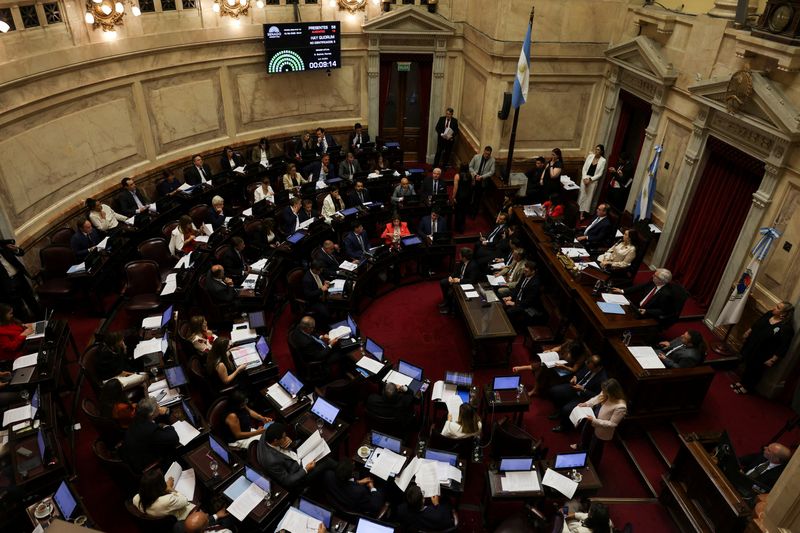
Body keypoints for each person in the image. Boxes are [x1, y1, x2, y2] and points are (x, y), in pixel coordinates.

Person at [733, 301, 795, 395]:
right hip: (752, 345)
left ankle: (747, 387)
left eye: (778, 308)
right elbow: (757, 323)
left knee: (755, 371)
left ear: (784, 313)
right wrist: (748, 331)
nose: (774, 308)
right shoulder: (769, 314)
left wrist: (773, 359)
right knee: (748, 365)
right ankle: (742, 382)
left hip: (764, 354)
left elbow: (783, 346)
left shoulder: (786, 328)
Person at [256, 422, 333, 489]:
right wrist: (306, 470)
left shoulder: (266, 434)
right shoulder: (271, 461)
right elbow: (287, 481)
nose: (286, 438)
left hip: (296, 455)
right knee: (327, 461)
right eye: (284, 438)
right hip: (299, 474)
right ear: (275, 441)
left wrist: (286, 441)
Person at [571, 378, 627, 465]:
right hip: (592, 418)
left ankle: (591, 465)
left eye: (605, 392)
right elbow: (596, 398)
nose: (603, 393)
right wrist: (586, 404)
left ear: (613, 393)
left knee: (595, 448)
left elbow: (612, 424)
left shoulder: (621, 407)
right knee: (585, 436)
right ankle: (581, 449)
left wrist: (595, 421)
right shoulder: (605, 392)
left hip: (601, 428)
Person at [550, 355, 607, 432]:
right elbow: (579, 373)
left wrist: (583, 390)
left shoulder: (603, 379)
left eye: (591, 368)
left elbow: (597, 397)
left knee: (566, 409)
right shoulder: (589, 364)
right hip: (575, 388)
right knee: (555, 391)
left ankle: (564, 427)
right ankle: (559, 412)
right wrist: (575, 377)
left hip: (584, 397)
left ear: (598, 368)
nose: (588, 368)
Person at [122, 396, 180, 471]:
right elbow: (174, 437)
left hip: (134, 456)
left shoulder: (137, 418)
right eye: (157, 406)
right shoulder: (150, 431)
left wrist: (165, 413)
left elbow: (154, 421)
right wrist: (166, 426)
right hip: (150, 466)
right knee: (174, 449)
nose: (159, 407)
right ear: (151, 414)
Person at [514, 339, 586, 396]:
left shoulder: (581, 356)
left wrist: (564, 367)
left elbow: (574, 369)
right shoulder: (570, 343)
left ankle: (534, 389)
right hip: (558, 361)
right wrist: (550, 351)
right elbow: (559, 348)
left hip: (565, 369)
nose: (569, 351)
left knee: (544, 368)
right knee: (543, 365)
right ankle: (534, 388)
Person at [613, 268, 679, 321]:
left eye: (655, 276)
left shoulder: (666, 295)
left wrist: (647, 311)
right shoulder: (653, 282)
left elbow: (664, 311)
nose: (652, 276)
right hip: (636, 307)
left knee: (618, 319)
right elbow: (639, 286)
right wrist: (622, 291)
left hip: (646, 314)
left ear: (661, 280)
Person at [0, 241, 39, 322]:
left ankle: (42, 321)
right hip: (7, 285)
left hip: (19, 278)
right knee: (18, 309)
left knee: (32, 301)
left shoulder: (3, 246)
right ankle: (27, 326)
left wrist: (15, 249)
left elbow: (21, 252)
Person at [500, 260, 543, 329]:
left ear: (533, 271)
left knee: (510, 311)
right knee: (502, 303)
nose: (524, 272)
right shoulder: (525, 275)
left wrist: (514, 303)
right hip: (517, 299)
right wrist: (510, 297)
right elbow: (517, 287)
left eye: (526, 271)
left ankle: (510, 329)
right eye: (524, 270)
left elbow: (528, 301)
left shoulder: (535, 284)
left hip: (525, 305)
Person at [439, 248, 480, 314]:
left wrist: (459, 280)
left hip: (465, 283)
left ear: (464, 257)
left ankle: (450, 310)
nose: (459, 256)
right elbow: (456, 271)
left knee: (451, 293)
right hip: (457, 279)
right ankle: (446, 301)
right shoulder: (462, 261)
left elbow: (471, 280)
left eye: (460, 255)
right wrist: (451, 276)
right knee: (443, 282)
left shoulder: (473, 266)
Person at [578, 144, 607, 219]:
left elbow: (600, 174)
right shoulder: (590, 156)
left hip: (593, 181)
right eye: (596, 149)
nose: (596, 151)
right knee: (582, 196)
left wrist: (590, 180)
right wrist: (584, 178)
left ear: (601, 152)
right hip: (585, 179)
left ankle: (582, 214)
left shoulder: (603, 160)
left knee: (588, 198)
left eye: (598, 150)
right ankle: (578, 211)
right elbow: (584, 168)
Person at [468, 146, 496, 217]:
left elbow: (492, 172)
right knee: (470, 195)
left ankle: (473, 214)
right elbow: (470, 166)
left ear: (490, 154)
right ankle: (468, 211)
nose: (487, 155)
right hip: (474, 179)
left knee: (477, 198)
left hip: (482, 181)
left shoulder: (492, 160)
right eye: (486, 153)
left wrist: (482, 177)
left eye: (488, 154)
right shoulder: (476, 157)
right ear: (484, 151)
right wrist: (475, 175)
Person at [451, 163, 472, 233]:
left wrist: (453, 197)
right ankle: (462, 227)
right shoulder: (470, 175)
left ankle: (457, 228)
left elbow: (455, 188)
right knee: (464, 212)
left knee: (458, 212)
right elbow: (472, 185)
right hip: (467, 196)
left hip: (460, 196)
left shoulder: (457, 176)